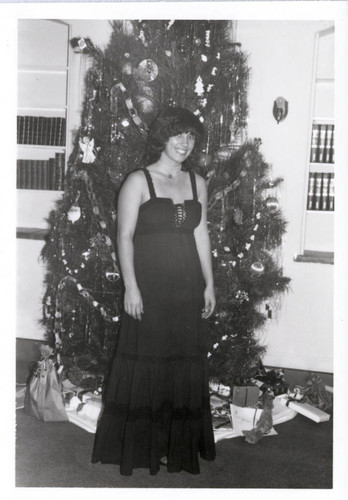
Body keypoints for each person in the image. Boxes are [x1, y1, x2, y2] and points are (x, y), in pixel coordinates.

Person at [92, 107, 216, 476]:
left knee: (181, 363)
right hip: (150, 287)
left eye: (191, 136)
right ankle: (144, 446)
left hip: (187, 287)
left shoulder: (197, 182)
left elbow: (200, 233)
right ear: (162, 137)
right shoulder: (138, 181)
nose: (184, 143)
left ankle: (173, 444)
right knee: (148, 364)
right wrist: (131, 286)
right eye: (178, 135)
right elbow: (124, 237)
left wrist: (209, 284)